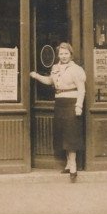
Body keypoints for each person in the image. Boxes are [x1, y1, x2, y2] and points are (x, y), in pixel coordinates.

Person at [30, 42, 86, 181]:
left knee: (71, 135)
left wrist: (78, 106)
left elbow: (81, 89)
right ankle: (68, 163)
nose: (63, 56)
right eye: (61, 53)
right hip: (59, 103)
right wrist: (36, 76)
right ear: (58, 55)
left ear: (71, 54)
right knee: (62, 134)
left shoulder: (76, 69)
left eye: (66, 53)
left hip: (71, 103)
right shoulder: (55, 67)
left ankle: (73, 166)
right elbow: (50, 81)